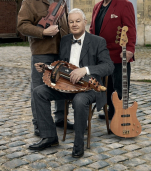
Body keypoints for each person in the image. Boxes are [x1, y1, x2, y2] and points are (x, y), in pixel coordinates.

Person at [29, 8, 114, 158]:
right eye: (71, 22)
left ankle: (78, 143)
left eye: (78, 21)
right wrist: (46, 68)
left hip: (89, 87)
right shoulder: (65, 40)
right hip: (67, 86)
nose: (74, 24)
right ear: (68, 24)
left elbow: (109, 66)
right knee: (38, 92)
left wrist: (85, 70)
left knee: (79, 101)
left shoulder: (97, 41)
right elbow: (61, 66)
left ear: (85, 22)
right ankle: (50, 136)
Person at [17, 0, 72, 137]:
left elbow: (66, 25)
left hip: (61, 51)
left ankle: (61, 119)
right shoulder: (29, 2)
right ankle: (40, 124)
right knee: (39, 90)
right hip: (42, 52)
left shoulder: (60, 0)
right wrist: (42, 32)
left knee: (62, 86)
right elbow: (22, 26)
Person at [89, 0, 136, 120]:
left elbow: (131, 28)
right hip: (102, 55)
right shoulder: (97, 6)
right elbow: (92, 29)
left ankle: (120, 112)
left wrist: (130, 49)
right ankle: (110, 110)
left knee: (119, 86)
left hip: (119, 54)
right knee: (106, 85)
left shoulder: (124, 4)